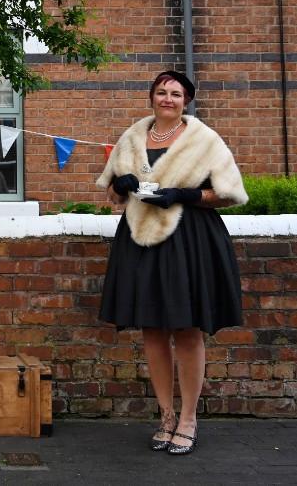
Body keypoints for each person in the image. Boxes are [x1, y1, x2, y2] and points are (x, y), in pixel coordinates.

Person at [97, 71, 247, 455]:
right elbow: (113, 192)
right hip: (139, 237)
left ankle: (189, 419)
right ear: (151, 97)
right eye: (161, 92)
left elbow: (228, 193)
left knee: (187, 329)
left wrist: (185, 193)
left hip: (190, 238)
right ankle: (165, 416)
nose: (167, 98)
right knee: (152, 329)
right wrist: (124, 183)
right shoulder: (132, 137)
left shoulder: (205, 140)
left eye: (176, 93)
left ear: (187, 100)